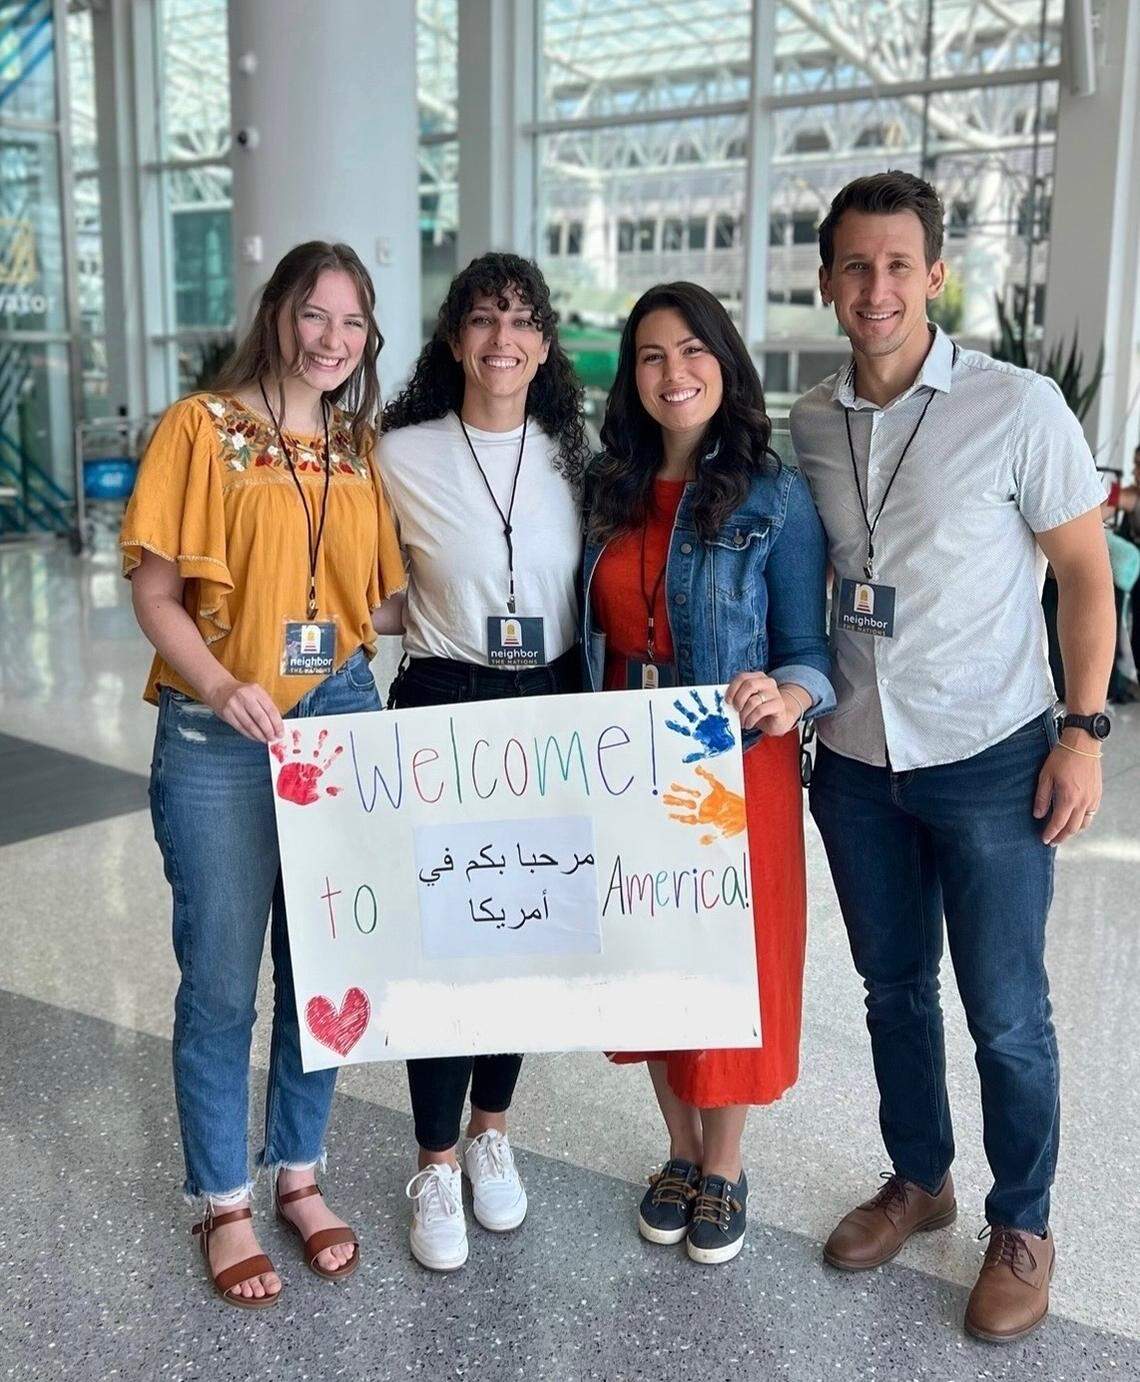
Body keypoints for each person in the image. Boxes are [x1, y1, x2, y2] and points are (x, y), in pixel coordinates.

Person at [790, 172, 1115, 1342]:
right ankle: (920, 1176)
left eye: (898, 266)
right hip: (862, 764)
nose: (876, 288)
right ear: (827, 282)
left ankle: (1021, 1219)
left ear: (936, 275)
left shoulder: (1019, 405)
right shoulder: (811, 425)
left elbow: (1085, 576)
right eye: (854, 267)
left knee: (1007, 1010)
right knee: (891, 989)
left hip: (989, 753)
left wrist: (1081, 731)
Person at [120, 241, 405, 1307]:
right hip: (216, 727)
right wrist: (222, 682)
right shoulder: (201, 428)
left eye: (354, 323)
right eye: (315, 315)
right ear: (279, 312)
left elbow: (369, 605)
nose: (333, 340)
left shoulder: (356, 448)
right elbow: (156, 594)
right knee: (223, 976)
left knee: (324, 963)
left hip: (338, 712)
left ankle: (300, 1171)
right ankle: (224, 1197)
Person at [581, 281, 834, 1265]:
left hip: (733, 763)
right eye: (651, 354)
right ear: (630, 374)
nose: (673, 372)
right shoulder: (606, 483)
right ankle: (679, 1150)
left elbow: (813, 652)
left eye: (692, 351)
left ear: (723, 363)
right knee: (650, 951)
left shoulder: (772, 490)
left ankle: (724, 1164)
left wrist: (787, 695)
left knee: (729, 963)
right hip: (626, 755)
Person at [377, 252, 590, 1272]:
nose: (501, 339)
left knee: (519, 935)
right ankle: (434, 1158)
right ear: (456, 338)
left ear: (544, 345)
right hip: (442, 698)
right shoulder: (400, 452)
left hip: (549, 700)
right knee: (444, 945)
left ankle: (492, 1131)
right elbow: (368, 581)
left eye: (521, 321)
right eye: (482, 319)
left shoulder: (574, 457)